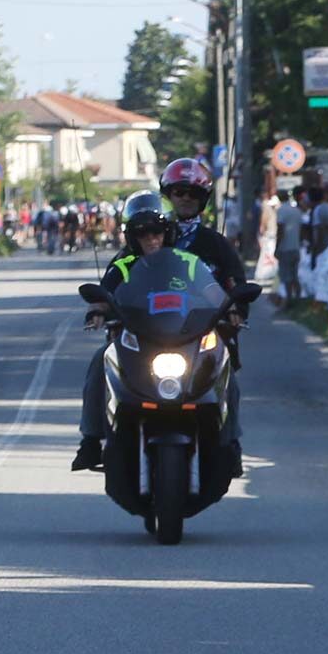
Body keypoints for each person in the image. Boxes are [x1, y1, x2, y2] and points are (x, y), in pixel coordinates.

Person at [71, 191, 244, 470]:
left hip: (185, 338)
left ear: (169, 231)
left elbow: (213, 292)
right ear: (131, 236)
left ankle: (231, 442)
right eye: (142, 232)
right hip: (136, 341)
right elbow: (104, 295)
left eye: (157, 231)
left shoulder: (188, 263)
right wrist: (98, 310)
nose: (151, 238)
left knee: (223, 364)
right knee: (99, 362)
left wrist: (230, 307)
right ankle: (90, 441)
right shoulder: (123, 264)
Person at [158, 158, 251, 462]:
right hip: (152, 328)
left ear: (203, 200)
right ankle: (95, 438)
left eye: (193, 193)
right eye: (179, 191)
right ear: (168, 194)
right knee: (105, 359)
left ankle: (231, 441)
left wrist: (236, 306)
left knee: (229, 379)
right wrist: (105, 303)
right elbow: (121, 273)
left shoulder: (217, 243)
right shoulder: (149, 235)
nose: (186, 198)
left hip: (205, 330)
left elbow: (237, 281)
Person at [275, 188, 304, 306]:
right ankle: (297, 299)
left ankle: (289, 300)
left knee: (286, 276)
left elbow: (280, 230)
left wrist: (277, 247)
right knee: (294, 275)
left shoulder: (281, 210)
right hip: (296, 247)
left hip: (285, 248)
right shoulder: (297, 210)